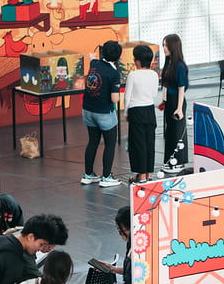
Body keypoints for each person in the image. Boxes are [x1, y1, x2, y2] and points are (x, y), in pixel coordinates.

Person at [81, 40, 123, 187]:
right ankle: (106, 177)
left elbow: (92, 58)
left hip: (87, 110)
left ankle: (88, 175)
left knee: (93, 142)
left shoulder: (94, 64)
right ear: (118, 56)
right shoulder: (114, 73)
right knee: (110, 144)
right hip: (104, 113)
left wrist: (93, 56)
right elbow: (114, 98)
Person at [124, 44, 158, 184]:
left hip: (136, 110)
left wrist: (126, 112)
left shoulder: (133, 75)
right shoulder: (154, 74)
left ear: (137, 61)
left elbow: (127, 96)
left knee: (138, 143)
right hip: (150, 109)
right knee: (150, 142)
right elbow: (154, 93)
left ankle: (141, 175)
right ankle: (148, 174)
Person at [160, 34, 190, 172]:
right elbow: (165, 84)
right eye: (163, 45)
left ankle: (178, 161)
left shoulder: (179, 66)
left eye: (166, 45)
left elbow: (181, 87)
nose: (164, 48)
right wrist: (163, 100)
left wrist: (179, 108)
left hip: (177, 101)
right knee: (170, 131)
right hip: (169, 100)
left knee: (177, 132)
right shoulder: (168, 63)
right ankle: (170, 160)